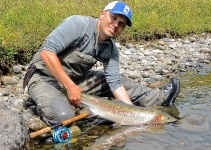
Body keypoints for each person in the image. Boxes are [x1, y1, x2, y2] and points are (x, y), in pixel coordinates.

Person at [24, 1, 180, 126]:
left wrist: (131, 114)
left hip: (77, 81)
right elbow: (47, 52)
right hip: (43, 78)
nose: (116, 24)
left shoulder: (111, 49)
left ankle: (157, 99)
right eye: (113, 17)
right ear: (102, 14)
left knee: (122, 81)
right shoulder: (78, 24)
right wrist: (70, 87)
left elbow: (115, 85)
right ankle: (39, 102)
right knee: (64, 117)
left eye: (122, 24)